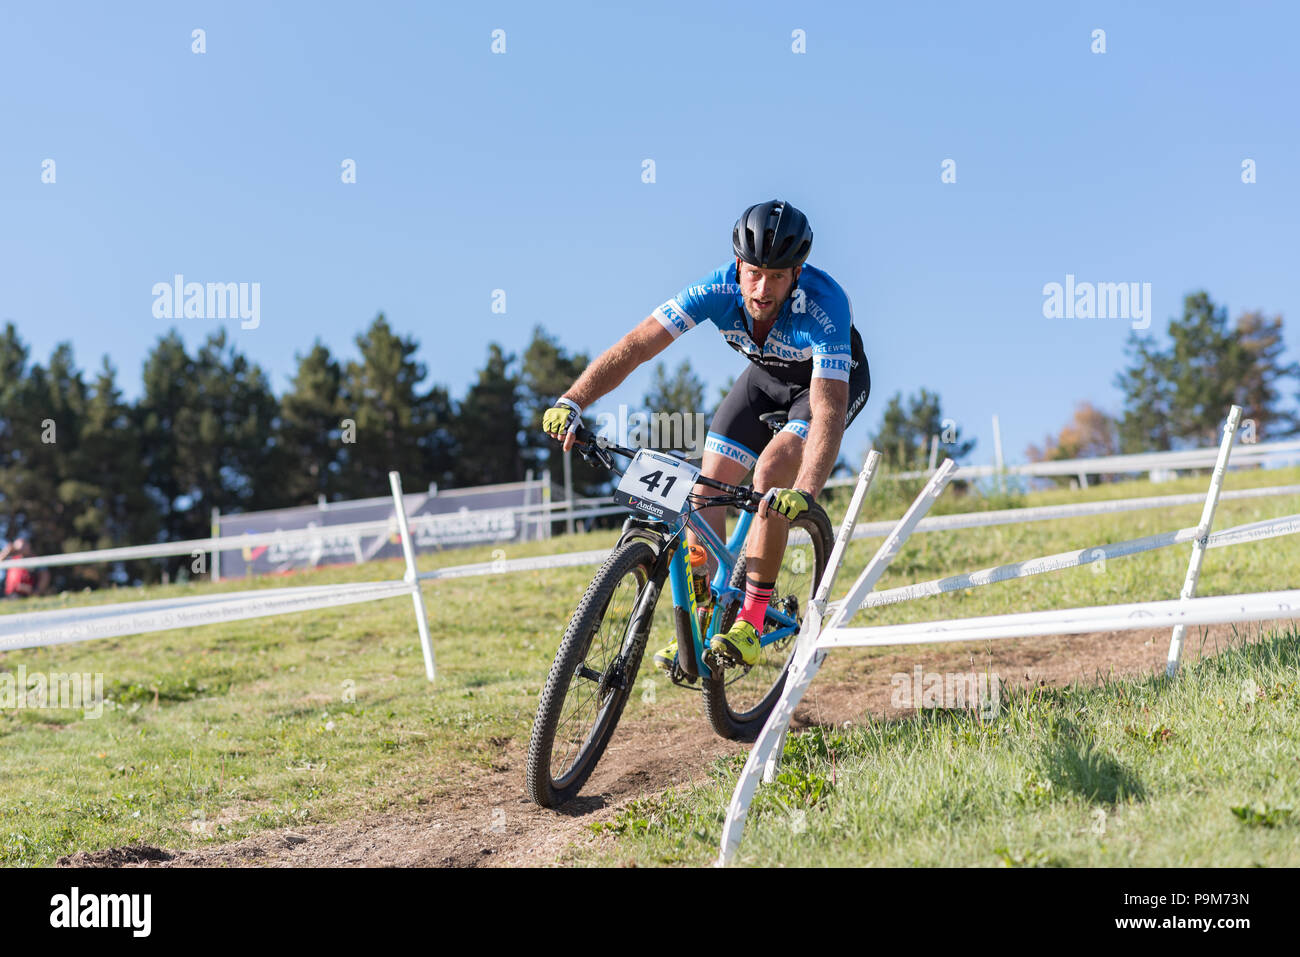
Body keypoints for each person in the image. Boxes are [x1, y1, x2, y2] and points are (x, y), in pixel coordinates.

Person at [542, 199, 870, 670]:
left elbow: (827, 407)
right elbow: (638, 346)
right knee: (703, 490)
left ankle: (752, 622)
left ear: (797, 272)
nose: (762, 287)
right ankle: (705, 620)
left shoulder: (824, 303)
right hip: (764, 380)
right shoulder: (715, 288)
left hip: (825, 386)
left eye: (777, 276)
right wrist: (572, 400)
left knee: (773, 471)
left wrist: (806, 491)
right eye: (754, 272)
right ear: (738, 264)